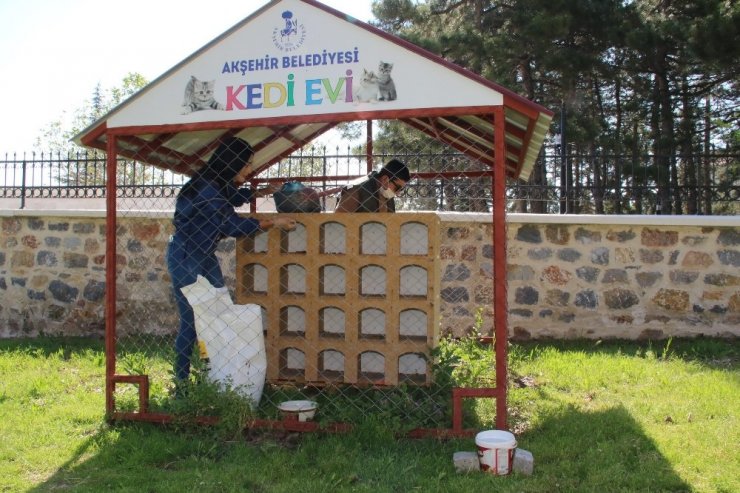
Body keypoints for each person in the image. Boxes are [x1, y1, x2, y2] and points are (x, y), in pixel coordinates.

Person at [167, 137, 296, 383]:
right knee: (193, 320)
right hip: (187, 256)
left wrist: (262, 191)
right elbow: (230, 224)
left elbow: (233, 198)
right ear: (231, 163)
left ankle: (217, 373)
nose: (249, 170)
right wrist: (274, 222)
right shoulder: (208, 189)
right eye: (245, 165)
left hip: (203, 254)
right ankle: (182, 383)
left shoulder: (215, 183)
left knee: (220, 312)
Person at [334, 159, 410, 213]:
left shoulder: (387, 194)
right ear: (385, 179)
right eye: (398, 188)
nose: (398, 193)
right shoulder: (357, 190)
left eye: (401, 189)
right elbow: (338, 222)